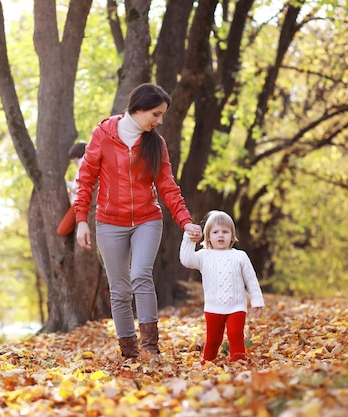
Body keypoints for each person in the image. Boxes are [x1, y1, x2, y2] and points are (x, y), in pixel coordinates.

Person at [74, 83, 202, 359]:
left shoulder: (155, 143)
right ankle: (129, 352)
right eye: (156, 114)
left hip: (147, 218)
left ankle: (150, 348)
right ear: (139, 108)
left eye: (162, 115)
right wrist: (81, 219)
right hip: (109, 222)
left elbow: (167, 186)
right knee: (119, 289)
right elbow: (85, 178)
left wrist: (185, 222)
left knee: (141, 275)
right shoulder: (104, 135)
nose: (160, 121)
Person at [179, 210, 264, 364]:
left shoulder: (240, 256)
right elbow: (186, 260)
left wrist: (257, 300)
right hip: (213, 307)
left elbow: (251, 280)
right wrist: (189, 239)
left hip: (237, 306)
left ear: (232, 236)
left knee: (235, 334)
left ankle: (238, 359)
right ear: (208, 236)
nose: (220, 235)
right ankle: (207, 361)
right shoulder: (204, 256)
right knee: (213, 339)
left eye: (225, 232)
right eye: (216, 232)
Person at [57, 142, 87, 235]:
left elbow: (77, 188)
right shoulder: (85, 163)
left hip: (79, 203)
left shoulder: (82, 163)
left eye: (73, 158)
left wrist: (65, 183)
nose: (72, 162)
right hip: (80, 202)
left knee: (61, 230)